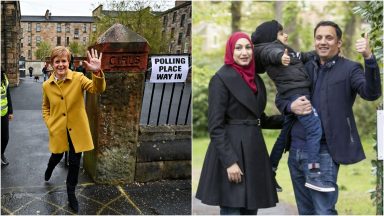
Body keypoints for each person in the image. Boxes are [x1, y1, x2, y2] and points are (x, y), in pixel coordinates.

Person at [276, 21, 381, 214]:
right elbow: (281, 99)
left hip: (325, 151)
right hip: (296, 151)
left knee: (323, 210)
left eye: (329, 38)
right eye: (319, 37)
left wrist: (369, 57)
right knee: (305, 211)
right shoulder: (303, 66)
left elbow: (371, 93)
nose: (323, 42)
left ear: (339, 43)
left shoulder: (350, 69)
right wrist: (291, 106)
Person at [196, 32, 283, 215]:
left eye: (248, 47)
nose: (244, 52)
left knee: (251, 210)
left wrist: (291, 116)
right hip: (232, 152)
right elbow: (216, 126)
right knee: (232, 209)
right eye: (238, 48)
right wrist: (230, 162)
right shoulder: (221, 79)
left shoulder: (257, 80)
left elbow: (259, 118)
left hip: (254, 153)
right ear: (231, 51)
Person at [251, 20, 333, 192]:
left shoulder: (286, 51)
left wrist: (315, 54)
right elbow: (271, 54)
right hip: (296, 94)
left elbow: (300, 57)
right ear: (271, 37)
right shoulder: (271, 50)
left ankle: (270, 171)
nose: (285, 35)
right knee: (315, 128)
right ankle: (313, 172)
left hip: (293, 93)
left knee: (284, 135)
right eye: (281, 33)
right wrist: (281, 57)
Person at [42, 46, 106, 213]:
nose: (61, 64)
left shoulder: (78, 77)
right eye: (57, 61)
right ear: (52, 63)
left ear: (69, 62)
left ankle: (71, 194)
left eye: (64, 61)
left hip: (76, 129)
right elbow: (45, 107)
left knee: (75, 163)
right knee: (56, 156)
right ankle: (49, 168)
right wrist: (50, 123)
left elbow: (96, 88)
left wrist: (97, 72)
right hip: (58, 129)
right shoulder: (47, 85)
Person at [1, 66, 14, 166]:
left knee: (5, 138)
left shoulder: (4, 77)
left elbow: (7, 95)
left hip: (3, 113)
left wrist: (10, 112)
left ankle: (1, 154)